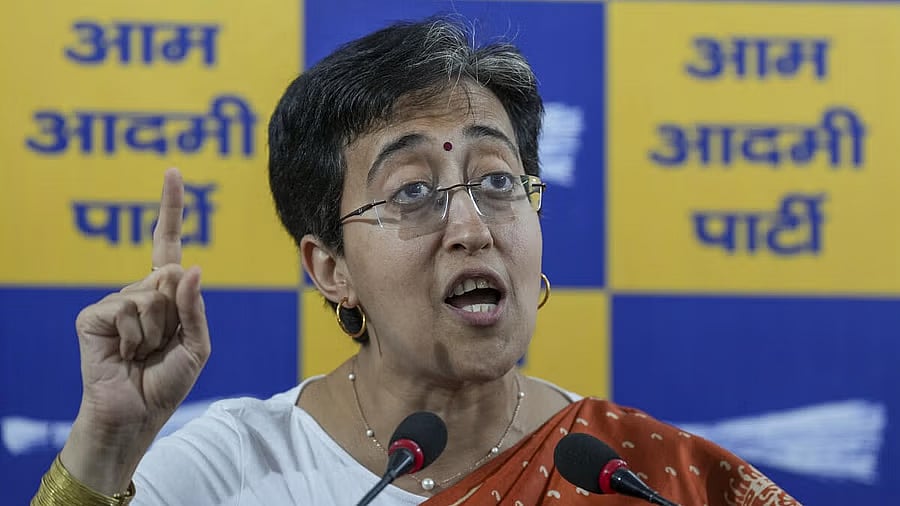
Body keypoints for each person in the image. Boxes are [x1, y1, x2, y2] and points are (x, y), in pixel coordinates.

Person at [31, 16, 800, 506]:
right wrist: (106, 444)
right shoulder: (238, 469)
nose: (471, 227)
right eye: (411, 193)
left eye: (496, 181)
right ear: (330, 268)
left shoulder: (634, 474)